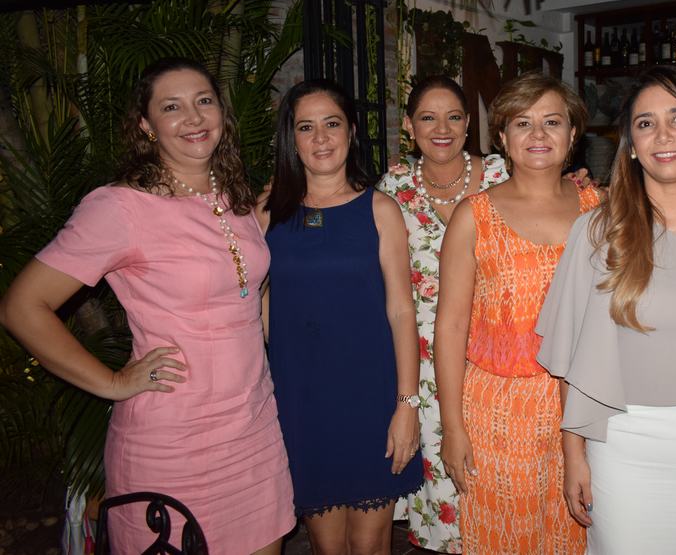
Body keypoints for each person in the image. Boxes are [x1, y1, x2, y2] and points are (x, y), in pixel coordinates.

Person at [0, 58, 295, 553]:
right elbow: (23, 307)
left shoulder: (235, 195)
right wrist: (112, 382)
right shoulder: (120, 208)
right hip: (173, 443)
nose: (193, 117)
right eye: (171, 107)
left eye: (203, 101)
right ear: (146, 125)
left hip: (254, 430)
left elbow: (250, 295)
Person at [535, 66, 676, 553]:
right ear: (632, 145)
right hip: (624, 446)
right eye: (645, 123)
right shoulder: (598, 230)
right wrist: (574, 453)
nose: (663, 135)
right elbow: (572, 359)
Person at [376, 75, 590, 553]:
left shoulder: (599, 209)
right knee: (498, 535)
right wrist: (451, 427)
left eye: (552, 122)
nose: (538, 134)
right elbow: (449, 323)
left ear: (573, 133)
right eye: (523, 123)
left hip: (583, 405)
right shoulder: (462, 210)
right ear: (503, 136)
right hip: (495, 405)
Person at [259, 79, 421, 555]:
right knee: (326, 546)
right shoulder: (267, 212)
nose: (321, 138)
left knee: (369, 545)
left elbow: (401, 311)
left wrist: (407, 405)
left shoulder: (380, 209)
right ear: (291, 138)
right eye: (305, 127)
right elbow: (253, 301)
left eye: (331, 124)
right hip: (302, 400)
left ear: (351, 131)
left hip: (371, 397)